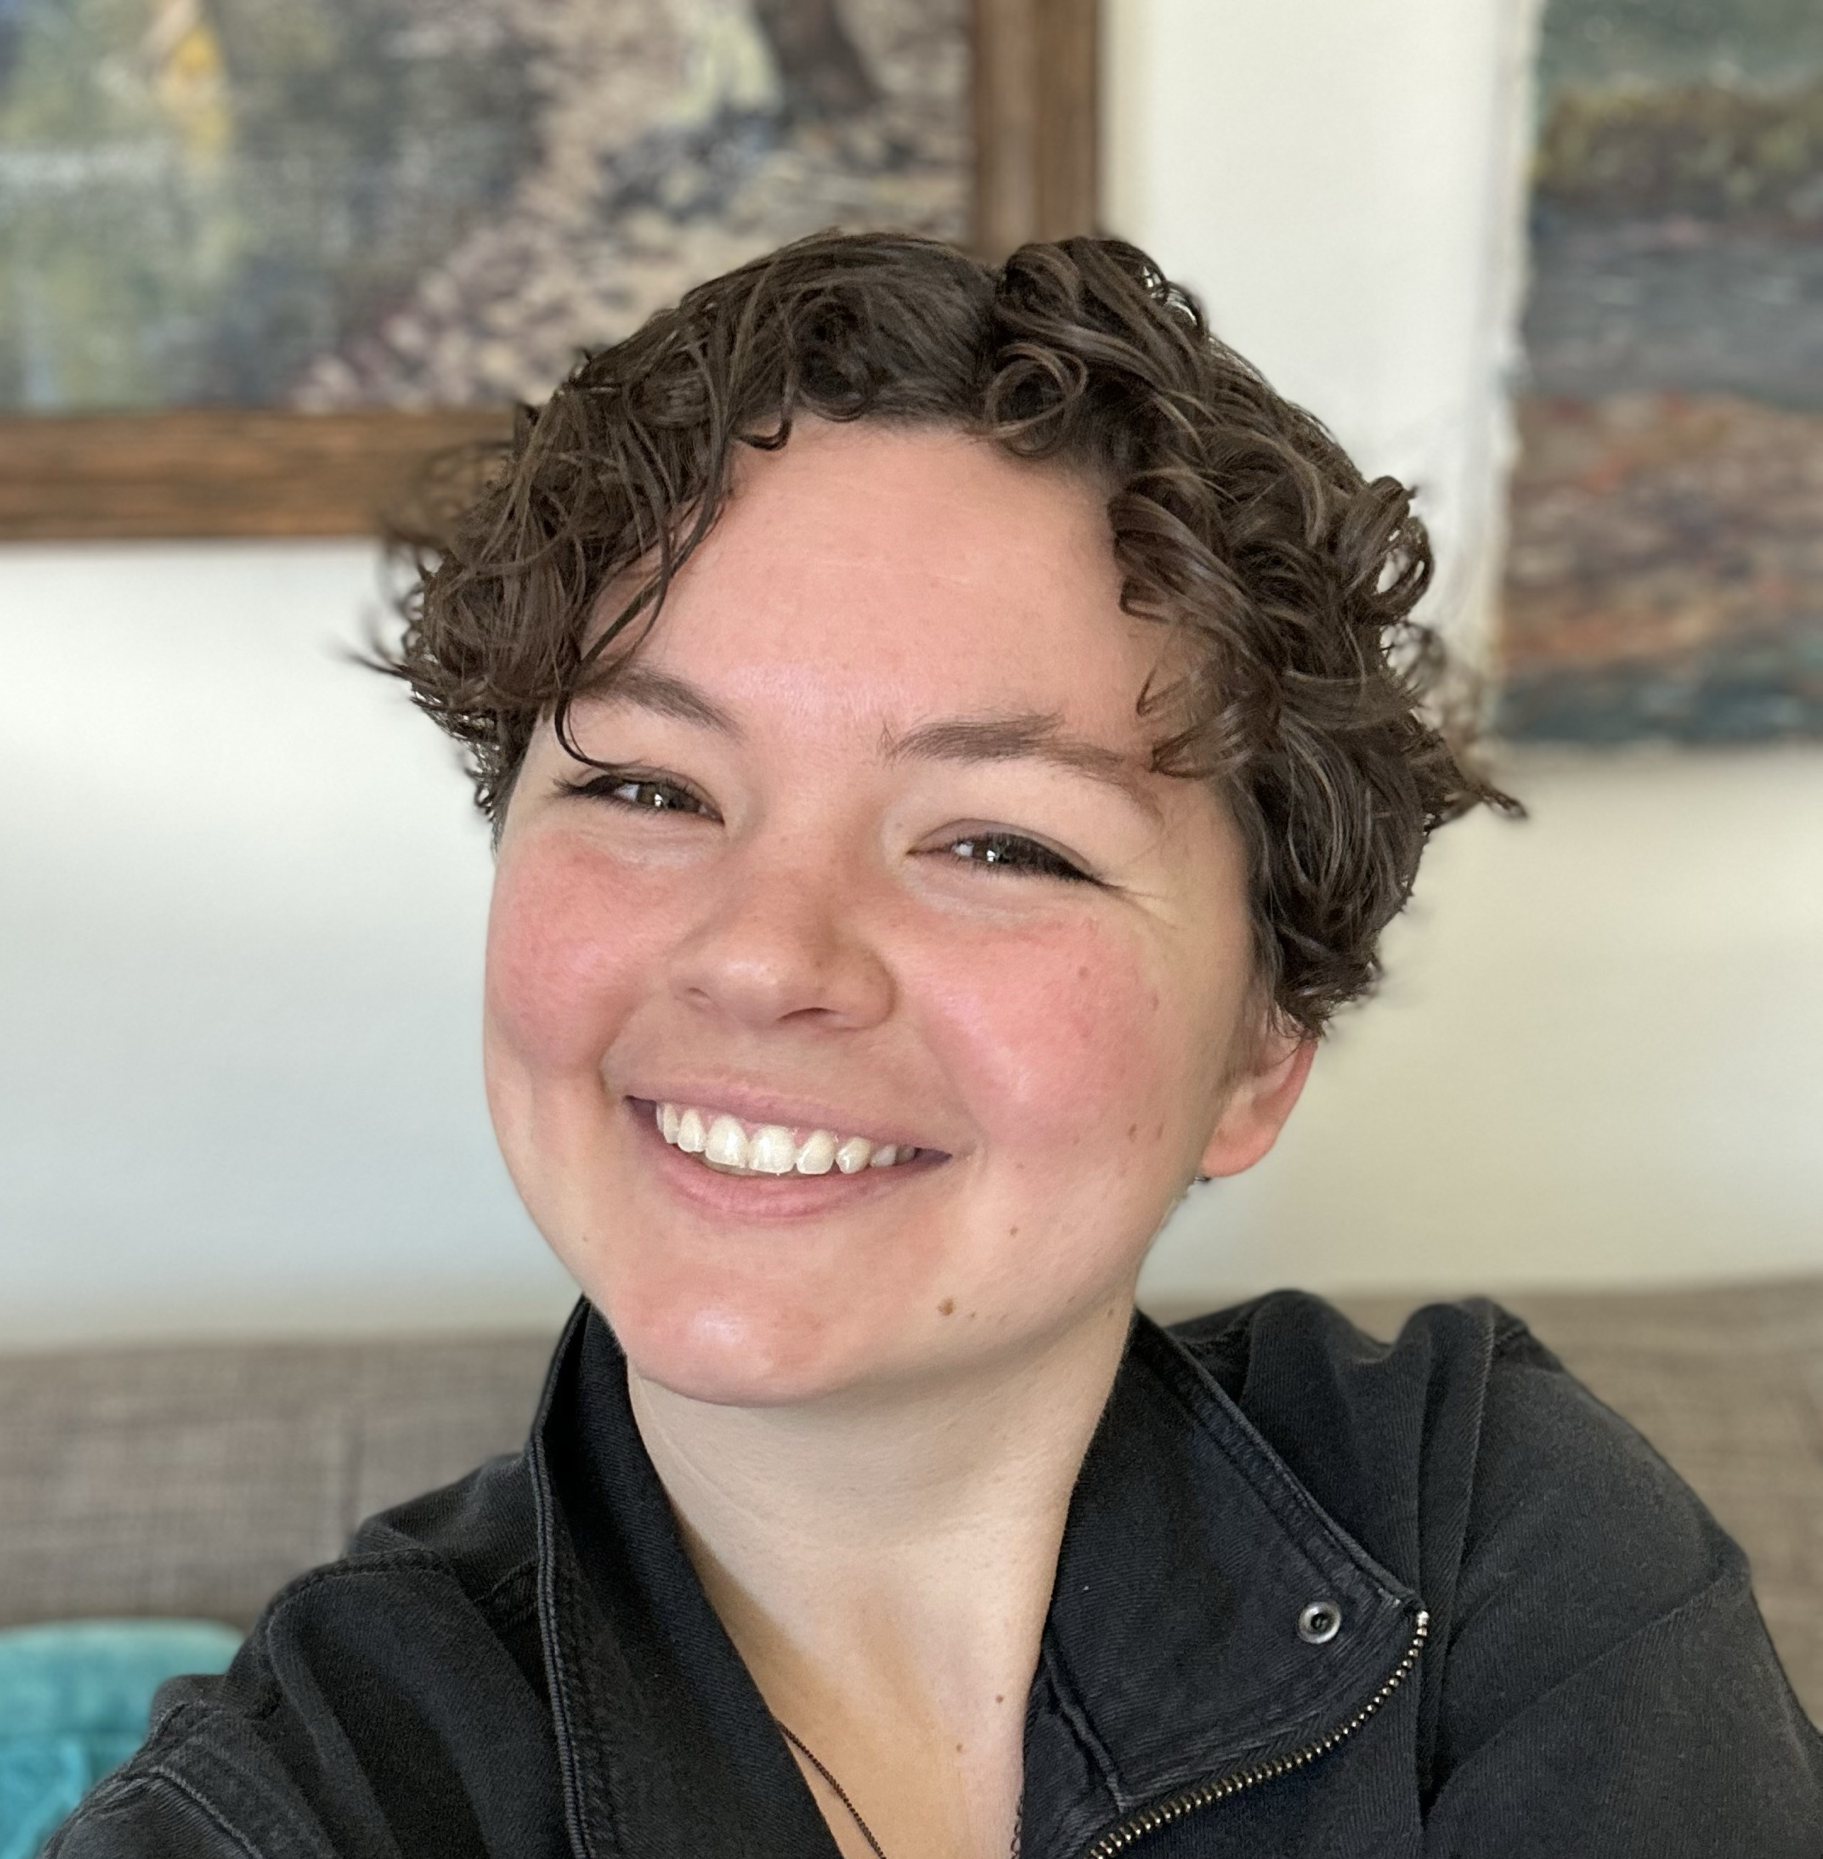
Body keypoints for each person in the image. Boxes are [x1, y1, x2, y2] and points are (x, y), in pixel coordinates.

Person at [51, 232, 1822, 1858]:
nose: (760, 955)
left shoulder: (1485, 1537)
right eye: (648, 786)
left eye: (997, 841)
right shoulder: (321, 1785)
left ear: (1253, 1060)